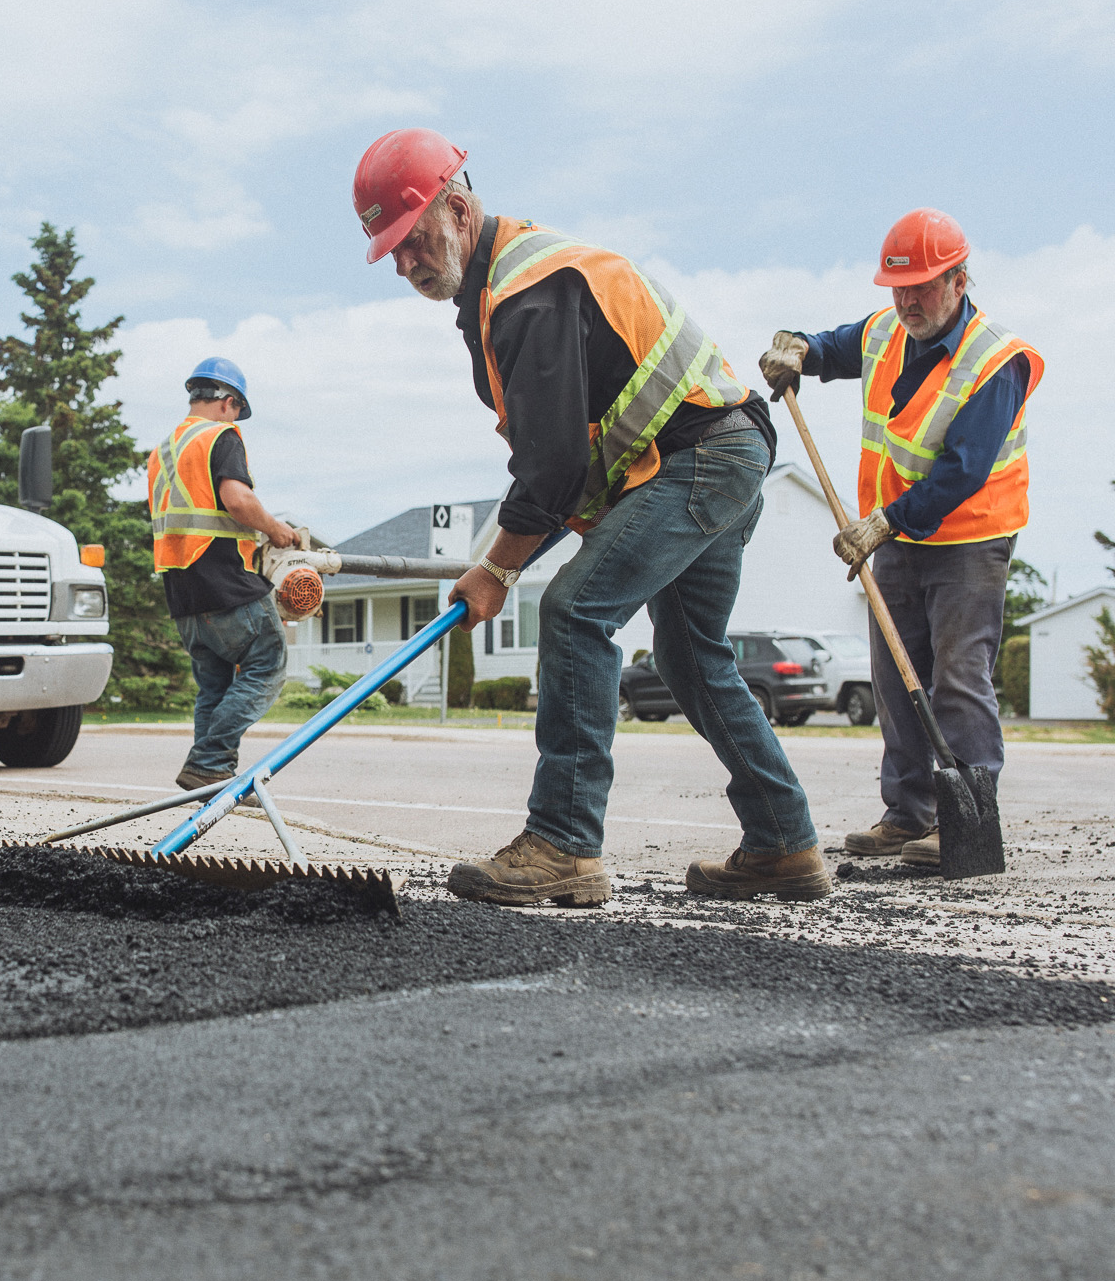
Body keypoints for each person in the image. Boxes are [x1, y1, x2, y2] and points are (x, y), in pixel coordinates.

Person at [351, 128, 831, 906]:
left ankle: (565, 843)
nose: (405, 262)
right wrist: (501, 559)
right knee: (689, 657)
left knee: (575, 613)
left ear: (460, 208)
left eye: (411, 239)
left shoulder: (528, 290)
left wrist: (498, 568)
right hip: (718, 453)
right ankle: (784, 839)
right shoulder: (503, 292)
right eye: (391, 250)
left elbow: (552, 470)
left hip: (702, 455)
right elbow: (555, 460)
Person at [758, 210, 1043, 870]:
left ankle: (965, 819)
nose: (908, 300)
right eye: (899, 287)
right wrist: (796, 346)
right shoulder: (888, 330)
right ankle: (908, 812)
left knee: (958, 675)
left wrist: (882, 523)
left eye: (923, 286)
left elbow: (962, 471)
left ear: (959, 281)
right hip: (898, 541)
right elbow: (830, 347)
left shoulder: (997, 361)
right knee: (894, 671)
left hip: (970, 539)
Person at [147, 358, 298, 794]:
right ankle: (209, 761)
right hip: (225, 581)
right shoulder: (220, 435)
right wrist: (275, 529)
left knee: (212, 687)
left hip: (181, 590)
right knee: (267, 663)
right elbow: (237, 499)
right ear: (229, 403)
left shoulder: (163, 451)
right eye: (236, 409)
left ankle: (207, 781)